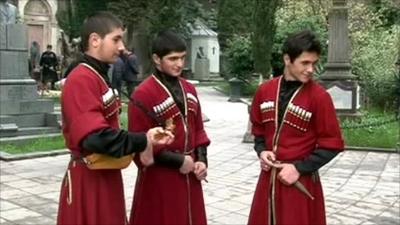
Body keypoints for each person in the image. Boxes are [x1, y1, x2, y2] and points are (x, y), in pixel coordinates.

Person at [57, 12, 174, 225]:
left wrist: (145, 137)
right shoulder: (82, 78)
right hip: (90, 181)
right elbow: (94, 138)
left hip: (104, 175)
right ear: (95, 40)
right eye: (116, 39)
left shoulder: (97, 75)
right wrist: (142, 140)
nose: (122, 47)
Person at [248, 30, 344, 225]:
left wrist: (299, 168)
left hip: (300, 182)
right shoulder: (265, 91)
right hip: (268, 181)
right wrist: (262, 151)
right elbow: (258, 130)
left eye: (314, 63)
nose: (311, 69)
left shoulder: (319, 97)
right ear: (287, 59)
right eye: (305, 63)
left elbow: (332, 144)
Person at [128, 30, 210, 225]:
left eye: (182, 58)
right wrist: (178, 161)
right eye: (173, 58)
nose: (180, 64)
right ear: (157, 59)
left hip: (190, 175)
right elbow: (138, 146)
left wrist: (202, 160)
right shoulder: (143, 94)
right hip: (160, 178)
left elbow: (198, 128)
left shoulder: (189, 89)